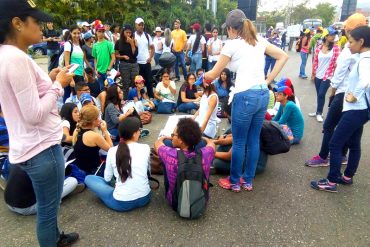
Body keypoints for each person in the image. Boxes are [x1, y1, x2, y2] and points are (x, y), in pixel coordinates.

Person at [0, 1, 79, 245]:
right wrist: (59, 85)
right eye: (35, 20)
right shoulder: (18, 59)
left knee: (49, 207)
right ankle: (51, 239)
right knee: (47, 211)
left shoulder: (6, 55)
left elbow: (21, 98)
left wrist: (49, 78)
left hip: (28, 145)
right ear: (17, 23)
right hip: (42, 148)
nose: (41, 26)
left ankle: (56, 237)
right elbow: (34, 113)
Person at [203, 9, 288, 192]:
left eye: (228, 29)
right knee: (253, 140)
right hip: (263, 94)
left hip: (245, 96)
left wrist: (205, 77)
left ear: (233, 29)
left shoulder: (232, 45)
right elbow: (283, 56)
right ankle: (247, 180)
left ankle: (234, 181)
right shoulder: (259, 42)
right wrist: (267, 80)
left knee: (240, 142)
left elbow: (214, 73)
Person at [310, 25, 370, 193]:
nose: (348, 45)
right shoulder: (364, 57)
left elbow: (366, 81)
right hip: (363, 110)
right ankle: (347, 176)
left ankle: (331, 181)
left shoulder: (365, 60)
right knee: (354, 143)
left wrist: (354, 95)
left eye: (351, 41)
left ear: (361, 41)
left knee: (335, 143)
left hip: (355, 108)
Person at [85, 117, 151, 211]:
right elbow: (148, 171)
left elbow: (107, 178)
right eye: (139, 130)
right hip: (145, 197)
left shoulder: (112, 151)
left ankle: (119, 186)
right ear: (134, 133)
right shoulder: (146, 148)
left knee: (89, 178)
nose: (140, 132)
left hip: (121, 202)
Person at [154, 118, 215, 206]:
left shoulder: (170, 154)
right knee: (202, 143)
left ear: (181, 140)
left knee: (166, 145)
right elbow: (211, 143)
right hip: (200, 202)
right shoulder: (207, 153)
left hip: (176, 203)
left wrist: (163, 137)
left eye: (173, 135)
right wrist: (198, 136)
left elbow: (157, 144)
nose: (171, 137)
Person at [4, 163, 82, 216]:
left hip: (9, 204)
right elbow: (48, 189)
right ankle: (63, 196)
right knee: (73, 181)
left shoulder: (18, 160)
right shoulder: (41, 165)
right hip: (27, 208)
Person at [309, 27, 340, 123]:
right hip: (318, 74)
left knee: (322, 94)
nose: (333, 36)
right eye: (331, 35)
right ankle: (318, 111)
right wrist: (313, 74)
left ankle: (319, 113)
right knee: (319, 95)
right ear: (326, 36)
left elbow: (338, 63)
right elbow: (315, 62)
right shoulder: (319, 48)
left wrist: (335, 75)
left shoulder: (336, 48)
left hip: (328, 76)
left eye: (334, 35)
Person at [73, 105, 113, 175]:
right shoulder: (93, 136)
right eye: (98, 117)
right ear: (93, 120)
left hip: (81, 169)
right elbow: (111, 149)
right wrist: (105, 131)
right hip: (94, 171)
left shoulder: (77, 130)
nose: (100, 119)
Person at [115, 24, 139, 99]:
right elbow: (116, 55)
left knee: (134, 83)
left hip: (134, 64)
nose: (128, 34)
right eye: (127, 32)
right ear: (123, 32)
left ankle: (134, 100)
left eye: (130, 33)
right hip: (124, 65)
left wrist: (132, 43)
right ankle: (125, 100)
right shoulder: (119, 42)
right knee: (125, 84)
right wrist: (123, 56)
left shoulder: (134, 41)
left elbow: (135, 54)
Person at [134, 17, 155, 98]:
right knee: (139, 82)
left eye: (142, 25)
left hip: (146, 62)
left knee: (149, 81)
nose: (141, 26)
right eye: (139, 25)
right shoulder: (133, 35)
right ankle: (141, 98)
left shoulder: (147, 35)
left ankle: (151, 98)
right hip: (137, 63)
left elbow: (152, 47)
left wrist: (150, 57)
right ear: (136, 25)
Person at [92, 24, 116, 91]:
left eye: (103, 31)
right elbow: (95, 59)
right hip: (99, 72)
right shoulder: (95, 45)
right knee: (102, 89)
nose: (101, 33)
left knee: (110, 89)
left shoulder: (109, 44)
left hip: (107, 72)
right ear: (96, 32)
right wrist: (96, 70)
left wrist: (108, 69)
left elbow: (113, 58)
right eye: (99, 31)